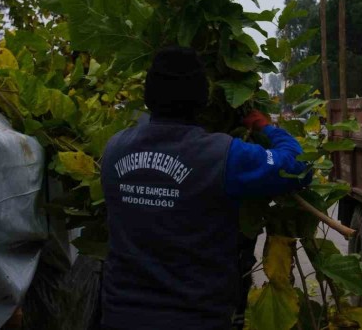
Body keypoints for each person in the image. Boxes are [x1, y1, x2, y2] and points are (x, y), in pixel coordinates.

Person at [99, 46, 311, 330]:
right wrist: (267, 128)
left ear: (150, 97)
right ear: (202, 98)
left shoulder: (114, 150)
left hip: (120, 316)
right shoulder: (221, 156)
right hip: (195, 318)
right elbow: (297, 166)